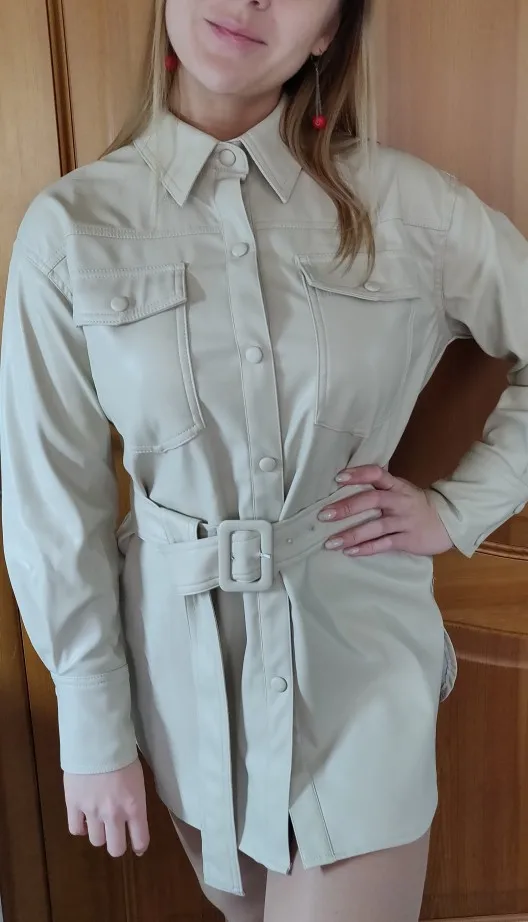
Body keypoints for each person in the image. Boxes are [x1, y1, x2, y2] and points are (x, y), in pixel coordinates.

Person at [2, 0, 528, 919]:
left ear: (329, 30)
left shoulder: (412, 209)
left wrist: (459, 507)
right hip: (180, 679)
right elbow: (52, 496)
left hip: (355, 662)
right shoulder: (71, 229)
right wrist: (92, 722)